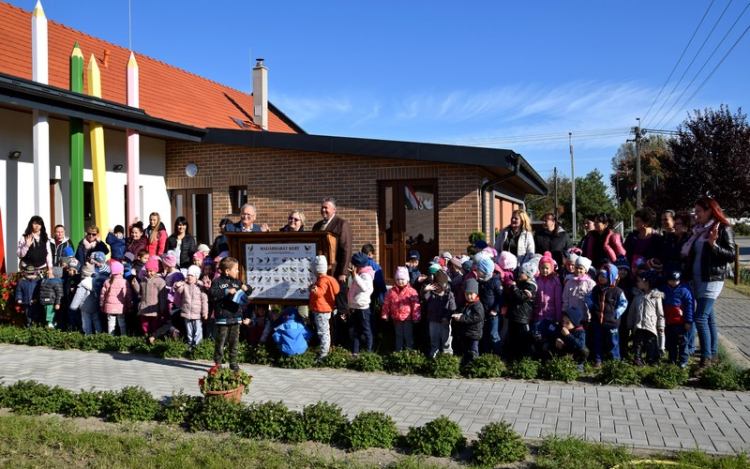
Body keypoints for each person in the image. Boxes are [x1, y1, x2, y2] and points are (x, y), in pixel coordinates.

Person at [683, 196, 736, 367]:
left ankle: (705, 359)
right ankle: (713, 352)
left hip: (713, 278)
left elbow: (731, 255)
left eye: (698, 211)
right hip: (698, 279)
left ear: (709, 211)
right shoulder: (698, 230)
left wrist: (714, 245)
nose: (696, 214)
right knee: (709, 318)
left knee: (700, 318)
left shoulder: (722, 229)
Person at [209, 256, 251, 371]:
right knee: (221, 341)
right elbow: (212, 294)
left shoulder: (238, 282)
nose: (238, 271)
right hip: (222, 317)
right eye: (236, 269)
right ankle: (218, 363)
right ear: (227, 271)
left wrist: (246, 288)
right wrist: (226, 291)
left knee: (234, 341)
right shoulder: (217, 282)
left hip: (236, 316)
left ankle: (233, 362)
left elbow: (248, 291)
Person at [585, 263, 628, 365]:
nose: (601, 278)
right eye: (600, 275)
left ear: (611, 277)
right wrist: (592, 307)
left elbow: (624, 303)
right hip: (597, 321)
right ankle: (597, 360)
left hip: (612, 323)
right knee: (597, 341)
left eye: (604, 276)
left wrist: (616, 313)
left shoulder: (617, 291)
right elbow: (587, 297)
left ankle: (615, 361)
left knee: (613, 342)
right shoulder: (596, 289)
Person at [504, 257, 538, 361]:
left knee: (524, 339)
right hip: (514, 316)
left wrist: (513, 287)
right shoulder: (521, 283)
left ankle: (528, 360)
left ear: (528, 275)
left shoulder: (531, 287)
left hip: (522, 318)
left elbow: (520, 297)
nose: (519, 274)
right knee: (513, 339)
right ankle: (514, 359)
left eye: (521, 272)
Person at [628, 270, 664, 366]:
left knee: (651, 342)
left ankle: (651, 359)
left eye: (639, 281)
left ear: (646, 283)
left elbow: (660, 313)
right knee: (638, 342)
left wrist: (661, 325)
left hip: (651, 325)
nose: (637, 283)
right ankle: (637, 358)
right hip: (639, 324)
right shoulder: (637, 296)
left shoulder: (656, 297)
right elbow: (632, 311)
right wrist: (630, 324)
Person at [381, 266, 421, 352]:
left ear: (407, 279)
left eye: (403, 279)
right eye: (398, 279)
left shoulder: (412, 291)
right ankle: (398, 351)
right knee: (398, 335)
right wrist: (385, 314)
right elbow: (387, 303)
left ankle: (409, 351)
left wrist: (416, 317)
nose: (400, 281)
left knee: (408, 334)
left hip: (408, 318)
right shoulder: (391, 291)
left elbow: (415, 305)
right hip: (396, 317)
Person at [661, 268, 694, 368]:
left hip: (680, 322)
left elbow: (689, 306)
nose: (673, 283)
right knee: (671, 342)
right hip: (668, 321)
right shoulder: (664, 289)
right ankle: (672, 359)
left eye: (675, 281)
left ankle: (683, 360)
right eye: (671, 280)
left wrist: (689, 321)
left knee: (682, 342)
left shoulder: (685, 290)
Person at [309, 255, 339, 360]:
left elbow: (321, 292)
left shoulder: (322, 281)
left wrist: (315, 291)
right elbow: (336, 290)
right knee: (325, 331)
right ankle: (325, 351)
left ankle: (323, 354)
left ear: (317, 270)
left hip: (321, 310)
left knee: (323, 332)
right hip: (327, 309)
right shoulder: (330, 279)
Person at [422, 268, 456, 358]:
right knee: (434, 340)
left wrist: (447, 317)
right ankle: (433, 356)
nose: (436, 287)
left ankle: (447, 356)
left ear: (444, 285)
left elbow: (452, 307)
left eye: (438, 285)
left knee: (446, 340)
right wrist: (425, 290)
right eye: (434, 285)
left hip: (444, 321)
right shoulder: (431, 293)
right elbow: (424, 298)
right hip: (433, 321)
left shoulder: (449, 294)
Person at [345, 252, 374, 357]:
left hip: (363, 308)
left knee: (366, 330)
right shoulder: (359, 274)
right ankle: (355, 352)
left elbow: (364, 288)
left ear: (357, 265)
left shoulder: (366, 275)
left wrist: (355, 276)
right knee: (356, 331)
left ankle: (368, 352)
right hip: (355, 307)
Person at [175, 265, 208, 356]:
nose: (189, 277)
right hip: (187, 312)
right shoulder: (184, 285)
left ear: (196, 276)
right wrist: (179, 284)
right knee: (189, 331)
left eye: (192, 275)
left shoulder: (200, 286)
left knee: (197, 331)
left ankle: (197, 347)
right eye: (188, 275)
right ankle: (190, 346)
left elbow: (204, 300)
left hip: (197, 313)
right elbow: (178, 290)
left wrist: (205, 312)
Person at [452, 278, 484, 369]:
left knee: (473, 350)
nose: (469, 296)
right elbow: (461, 311)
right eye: (466, 294)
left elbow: (477, 317)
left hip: (474, 333)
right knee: (466, 350)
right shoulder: (465, 304)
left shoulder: (477, 305)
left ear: (476, 294)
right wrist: (456, 314)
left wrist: (462, 318)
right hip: (465, 333)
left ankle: (475, 367)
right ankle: (466, 366)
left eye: (471, 294)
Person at [532, 252, 562, 344]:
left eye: (547, 268)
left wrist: (558, 318)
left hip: (551, 314)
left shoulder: (555, 281)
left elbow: (558, 301)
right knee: (537, 335)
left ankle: (548, 353)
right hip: (539, 314)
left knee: (550, 335)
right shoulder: (536, 280)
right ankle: (538, 352)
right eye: (542, 268)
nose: (544, 270)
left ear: (552, 268)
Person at [476, 256, 503, 356]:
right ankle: (486, 355)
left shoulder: (495, 282)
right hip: (483, 313)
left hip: (493, 314)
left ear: (485, 271)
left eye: (479, 269)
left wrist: (496, 310)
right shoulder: (480, 281)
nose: (477, 271)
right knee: (484, 334)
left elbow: (501, 297)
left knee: (493, 334)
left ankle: (498, 355)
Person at [133, 257, 168, 336]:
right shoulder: (143, 280)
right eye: (147, 271)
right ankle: (146, 335)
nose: (149, 273)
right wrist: (135, 284)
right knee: (144, 324)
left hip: (154, 309)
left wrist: (162, 308)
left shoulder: (160, 281)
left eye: (151, 271)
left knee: (154, 325)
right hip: (144, 307)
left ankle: (153, 337)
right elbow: (140, 292)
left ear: (156, 270)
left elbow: (162, 297)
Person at [99, 260, 132, 335]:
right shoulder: (125, 282)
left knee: (110, 322)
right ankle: (123, 336)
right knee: (122, 322)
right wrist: (129, 307)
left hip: (109, 307)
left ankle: (111, 337)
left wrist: (102, 305)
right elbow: (128, 296)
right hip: (121, 307)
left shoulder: (107, 282)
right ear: (121, 272)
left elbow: (102, 296)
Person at [562, 256, 595, 327]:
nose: (578, 270)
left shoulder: (590, 283)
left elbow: (592, 299)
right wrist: (565, 311)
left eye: (581, 268)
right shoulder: (569, 282)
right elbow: (565, 298)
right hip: (571, 316)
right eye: (576, 268)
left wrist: (591, 313)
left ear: (585, 270)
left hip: (585, 316)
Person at [70, 263, 102, 334]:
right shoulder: (95, 281)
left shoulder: (83, 284)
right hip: (95, 306)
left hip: (85, 306)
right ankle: (99, 334)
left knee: (86, 321)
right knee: (96, 320)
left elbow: (79, 296)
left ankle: (88, 335)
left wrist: (73, 306)